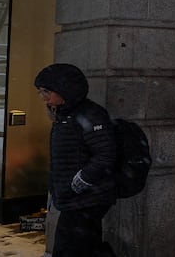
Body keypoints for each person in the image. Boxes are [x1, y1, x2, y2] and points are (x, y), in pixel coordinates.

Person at [34, 63, 117, 256]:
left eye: (46, 92)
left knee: (69, 249)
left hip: (87, 199)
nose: (44, 98)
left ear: (65, 90)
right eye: (40, 93)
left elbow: (105, 155)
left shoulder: (90, 115)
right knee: (86, 247)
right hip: (74, 199)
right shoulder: (64, 115)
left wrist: (79, 181)